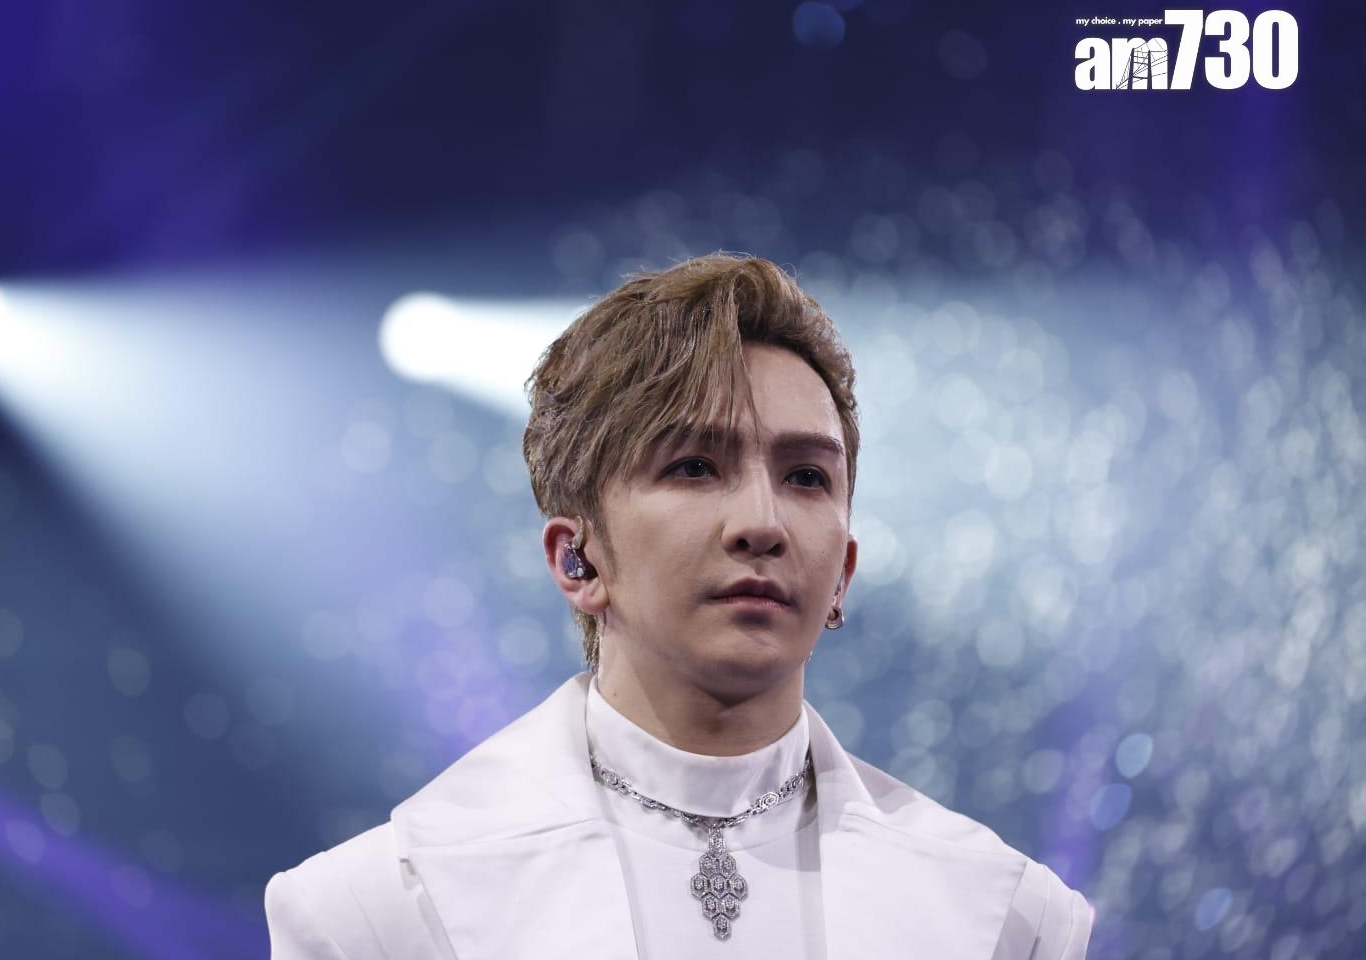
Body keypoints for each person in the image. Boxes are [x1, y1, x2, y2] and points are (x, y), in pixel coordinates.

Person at [264, 252, 1094, 958]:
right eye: (695, 466)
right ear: (577, 558)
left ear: (843, 571)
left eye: (806, 476)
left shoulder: (1004, 917)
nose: (762, 523)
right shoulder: (379, 913)